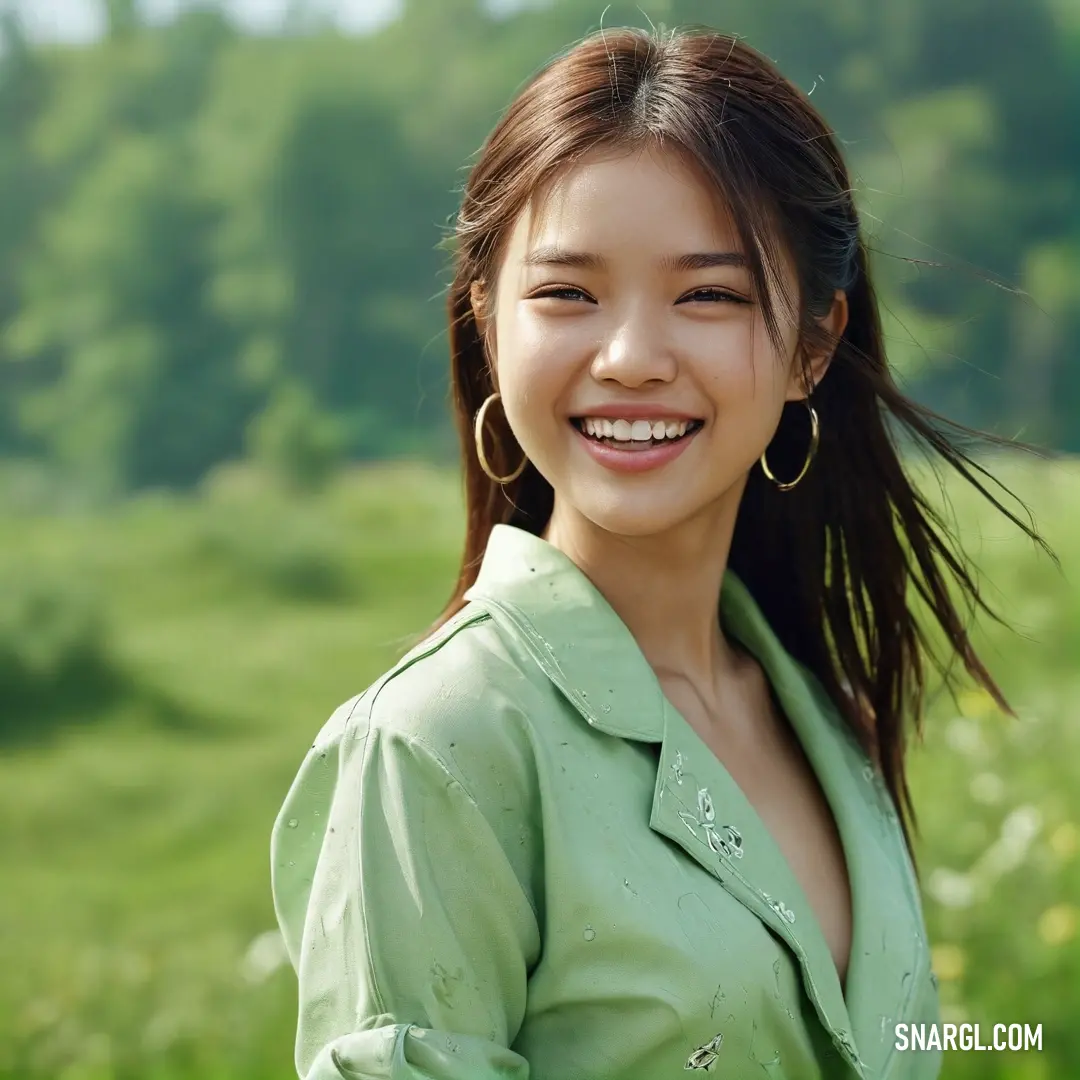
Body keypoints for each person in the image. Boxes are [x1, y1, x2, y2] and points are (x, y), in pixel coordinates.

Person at [270, 24, 1042, 1079]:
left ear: (814, 345)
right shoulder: (437, 746)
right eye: (569, 294)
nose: (631, 358)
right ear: (489, 320)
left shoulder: (825, 718)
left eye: (709, 295)